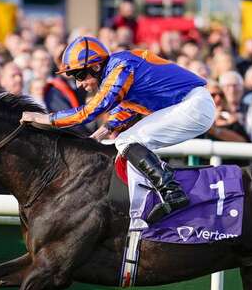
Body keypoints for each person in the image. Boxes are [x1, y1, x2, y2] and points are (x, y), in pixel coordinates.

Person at [20, 36, 214, 223]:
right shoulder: (118, 66)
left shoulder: (120, 66)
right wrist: (99, 134)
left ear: (96, 66)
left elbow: (90, 111)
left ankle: (171, 192)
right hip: (192, 105)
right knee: (126, 141)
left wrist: (43, 118)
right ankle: (161, 190)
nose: (79, 83)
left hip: (194, 105)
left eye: (79, 75)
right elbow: (129, 106)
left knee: (126, 141)